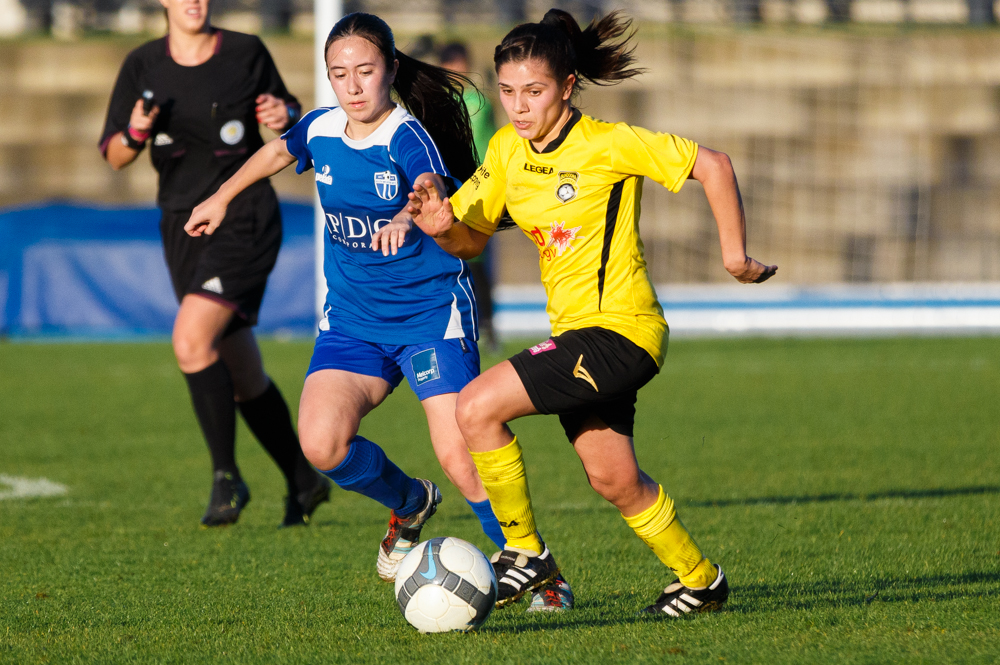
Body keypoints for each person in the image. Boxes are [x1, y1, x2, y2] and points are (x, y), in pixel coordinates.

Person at [185, 14, 572, 608]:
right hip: (353, 321)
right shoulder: (320, 128)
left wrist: (403, 216)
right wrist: (220, 197)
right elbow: (275, 153)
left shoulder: (406, 135)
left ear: (389, 70)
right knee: (321, 444)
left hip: (429, 315)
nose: (353, 85)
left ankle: (540, 573)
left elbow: (429, 187)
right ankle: (411, 503)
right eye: (339, 74)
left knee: (462, 457)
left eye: (365, 71)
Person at [406, 8, 777, 615]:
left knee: (474, 407)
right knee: (614, 479)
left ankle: (524, 552)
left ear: (567, 86)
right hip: (581, 337)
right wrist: (442, 226)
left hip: (622, 333)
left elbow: (714, 165)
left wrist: (734, 256)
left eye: (534, 91)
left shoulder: (608, 142)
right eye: (507, 92)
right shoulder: (505, 150)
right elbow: (470, 240)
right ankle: (701, 581)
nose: (518, 106)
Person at [99, 0, 330, 528]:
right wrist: (134, 132)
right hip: (182, 225)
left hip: (243, 216)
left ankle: (227, 477)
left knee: (190, 340)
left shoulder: (246, 52)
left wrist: (283, 116)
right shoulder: (142, 64)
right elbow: (114, 154)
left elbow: (290, 121)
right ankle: (304, 479)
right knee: (242, 371)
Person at [439, 42, 500, 354]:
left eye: (458, 63)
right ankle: (460, 324)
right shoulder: (441, 101)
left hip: (481, 189)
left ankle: (486, 326)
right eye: (450, 64)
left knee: (476, 262)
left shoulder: (476, 100)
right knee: (455, 259)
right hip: (452, 189)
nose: (456, 69)